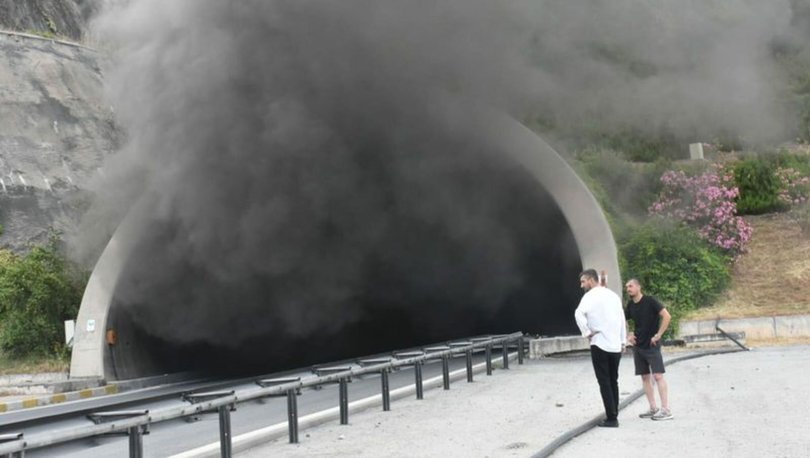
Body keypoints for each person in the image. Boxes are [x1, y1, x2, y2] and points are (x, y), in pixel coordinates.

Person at [574, 268, 627, 428]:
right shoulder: (613, 295)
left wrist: (587, 333)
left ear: (591, 280)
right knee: (613, 380)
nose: (582, 285)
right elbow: (621, 318)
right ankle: (614, 412)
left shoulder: (589, 296)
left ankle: (611, 418)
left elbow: (578, 314)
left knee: (604, 381)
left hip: (599, 343)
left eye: (583, 281)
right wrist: (623, 341)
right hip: (615, 345)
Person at [624, 278, 673, 421]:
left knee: (658, 376)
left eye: (631, 286)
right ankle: (653, 408)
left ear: (639, 287)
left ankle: (666, 410)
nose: (628, 289)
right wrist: (628, 335)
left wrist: (659, 335)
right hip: (638, 346)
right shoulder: (630, 305)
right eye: (627, 287)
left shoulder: (650, 301)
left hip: (652, 345)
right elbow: (622, 320)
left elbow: (666, 316)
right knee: (645, 377)